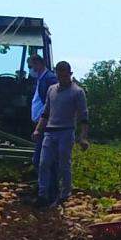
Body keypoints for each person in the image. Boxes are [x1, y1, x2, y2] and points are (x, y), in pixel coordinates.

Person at [35, 60, 90, 207]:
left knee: (63, 165)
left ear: (70, 74)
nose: (62, 79)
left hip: (66, 131)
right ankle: (43, 194)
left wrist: (83, 137)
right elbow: (45, 113)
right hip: (50, 131)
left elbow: (84, 116)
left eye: (65, 76)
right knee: (44, 163)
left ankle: (65, 194)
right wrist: (38, 129)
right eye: (60, 76)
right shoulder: (51, 90)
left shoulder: (77, 92)